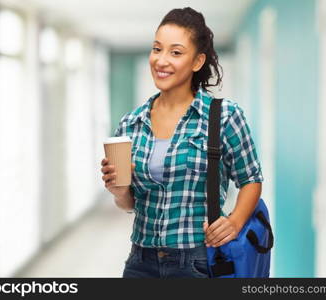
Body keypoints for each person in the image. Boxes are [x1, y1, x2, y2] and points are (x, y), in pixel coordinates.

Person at [100, 7, 263, 278]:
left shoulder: (223, 116)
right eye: (157, 49)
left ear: (197, 61)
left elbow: (251, 179)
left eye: (175, 52)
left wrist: (234, 223)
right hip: (140, 261)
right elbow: (130, 204)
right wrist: (119, 191)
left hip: (198, 261)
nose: (161, 60)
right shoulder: (131, 123)